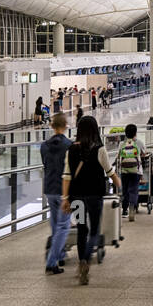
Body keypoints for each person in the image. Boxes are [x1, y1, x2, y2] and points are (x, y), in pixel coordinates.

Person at [60, 115, 120, 285]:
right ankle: (86, 260)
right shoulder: (99, 149)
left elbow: (66, 176)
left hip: (77, 197)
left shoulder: (71, 149)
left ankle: (81, 262)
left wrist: (65, 198)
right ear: (95, 130)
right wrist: (118, 183)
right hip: (94, 197)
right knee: (94, 230)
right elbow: (109, 171)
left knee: (81, 229)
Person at [41, 113, 73, 274]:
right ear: (65, 125)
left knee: (55, 225)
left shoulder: (44, 146)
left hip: (48, 188)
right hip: (63, 190)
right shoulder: (69, 145)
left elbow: (45, 165)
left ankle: (60, 254)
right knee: (64, 225)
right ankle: (52, 262)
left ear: (52, 126)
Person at [115, 123, 146, 222]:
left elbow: (118, 156)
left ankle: (124, 210)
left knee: (125, 190)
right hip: (136, 170)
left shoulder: (121, 144)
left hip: (124, 170)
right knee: (134, 189)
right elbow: (144, 154)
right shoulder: (139, 143)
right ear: (135, 133)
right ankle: (133, 206)